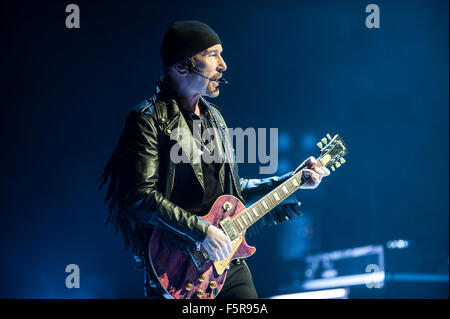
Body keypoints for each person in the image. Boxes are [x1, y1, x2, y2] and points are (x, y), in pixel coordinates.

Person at [98, 20, 330, 299]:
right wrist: (202, 231)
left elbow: (231, 191)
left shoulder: (214, 118)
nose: (223, 65)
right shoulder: (148, 120)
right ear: (182, 66)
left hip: (226, 263)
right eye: (212, 54)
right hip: (177, 267)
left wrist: (292, 180)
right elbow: (139, 197)